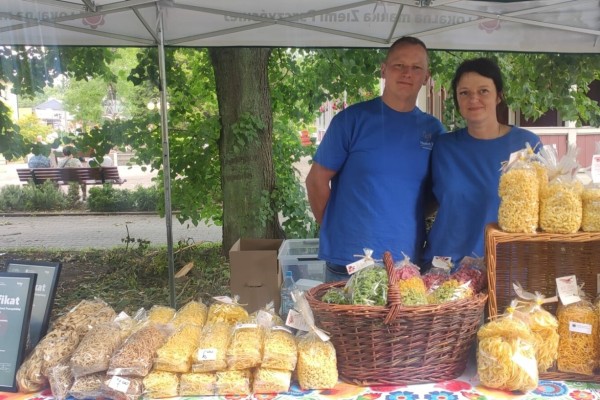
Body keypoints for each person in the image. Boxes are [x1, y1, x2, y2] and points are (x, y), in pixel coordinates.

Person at [305, 36, 445, 282]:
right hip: (349, 262)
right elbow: (316, 181)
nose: (406, 73)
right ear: (383, 70)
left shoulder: (434, 131)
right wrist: (336, 230)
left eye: (416, 68)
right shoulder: (352, 121)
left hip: (407, 263)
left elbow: (438, 193)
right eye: (398, 65)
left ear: (426, 76)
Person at [423, 58, 541, 268]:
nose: (473, 99)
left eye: (483, 91)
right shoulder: (443, 146)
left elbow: (543, 208)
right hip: (444, 269)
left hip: (505, 267)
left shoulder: (527, 145)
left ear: (499, 96)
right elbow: (429, 200)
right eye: (464, 93)